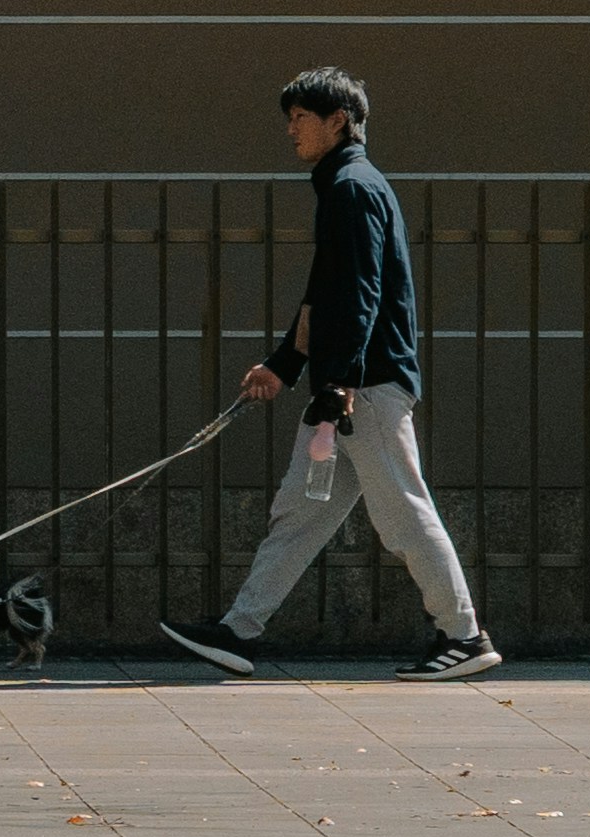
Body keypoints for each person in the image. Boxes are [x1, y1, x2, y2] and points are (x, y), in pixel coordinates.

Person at [161, 67, 500, 679]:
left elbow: (359, 293)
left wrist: (337, 384)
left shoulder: (351, 188)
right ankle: (239, 632)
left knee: (402, 512)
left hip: (364, 389)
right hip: (350, 387)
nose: (291, 130)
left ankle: (465, 636)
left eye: (301, 118)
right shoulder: (345, 185)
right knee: (302, 512)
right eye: (288, 118)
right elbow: (324, 295)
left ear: (338, 121)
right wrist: (284, 365)